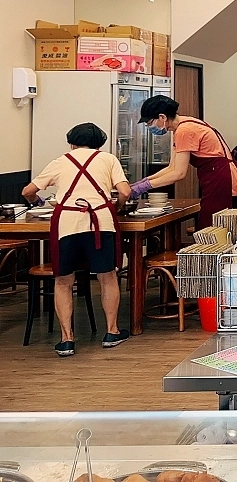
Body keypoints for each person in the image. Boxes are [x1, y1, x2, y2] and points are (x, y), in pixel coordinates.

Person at [22, 123, 131, 356]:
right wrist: (118, 206)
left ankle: (67, 339)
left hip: (68, 224)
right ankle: (111, 332)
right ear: (100, 143)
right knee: (107, 276)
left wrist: (37, 202)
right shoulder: (109, 159)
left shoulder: (60, 162)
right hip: (100, 222)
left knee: (63, 280)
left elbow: (27, 191)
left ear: (71, 142)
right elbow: (125, 191)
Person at [131, 95, 237, 228]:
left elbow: (179, 173)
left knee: (212, 229)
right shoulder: (184, 124)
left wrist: (143, 187)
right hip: (220, 175)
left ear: (162, 117)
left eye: (150, 123)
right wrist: (143, 181)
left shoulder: (184, 131)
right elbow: (171, 167)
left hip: (221, 177)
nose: (149, 127)